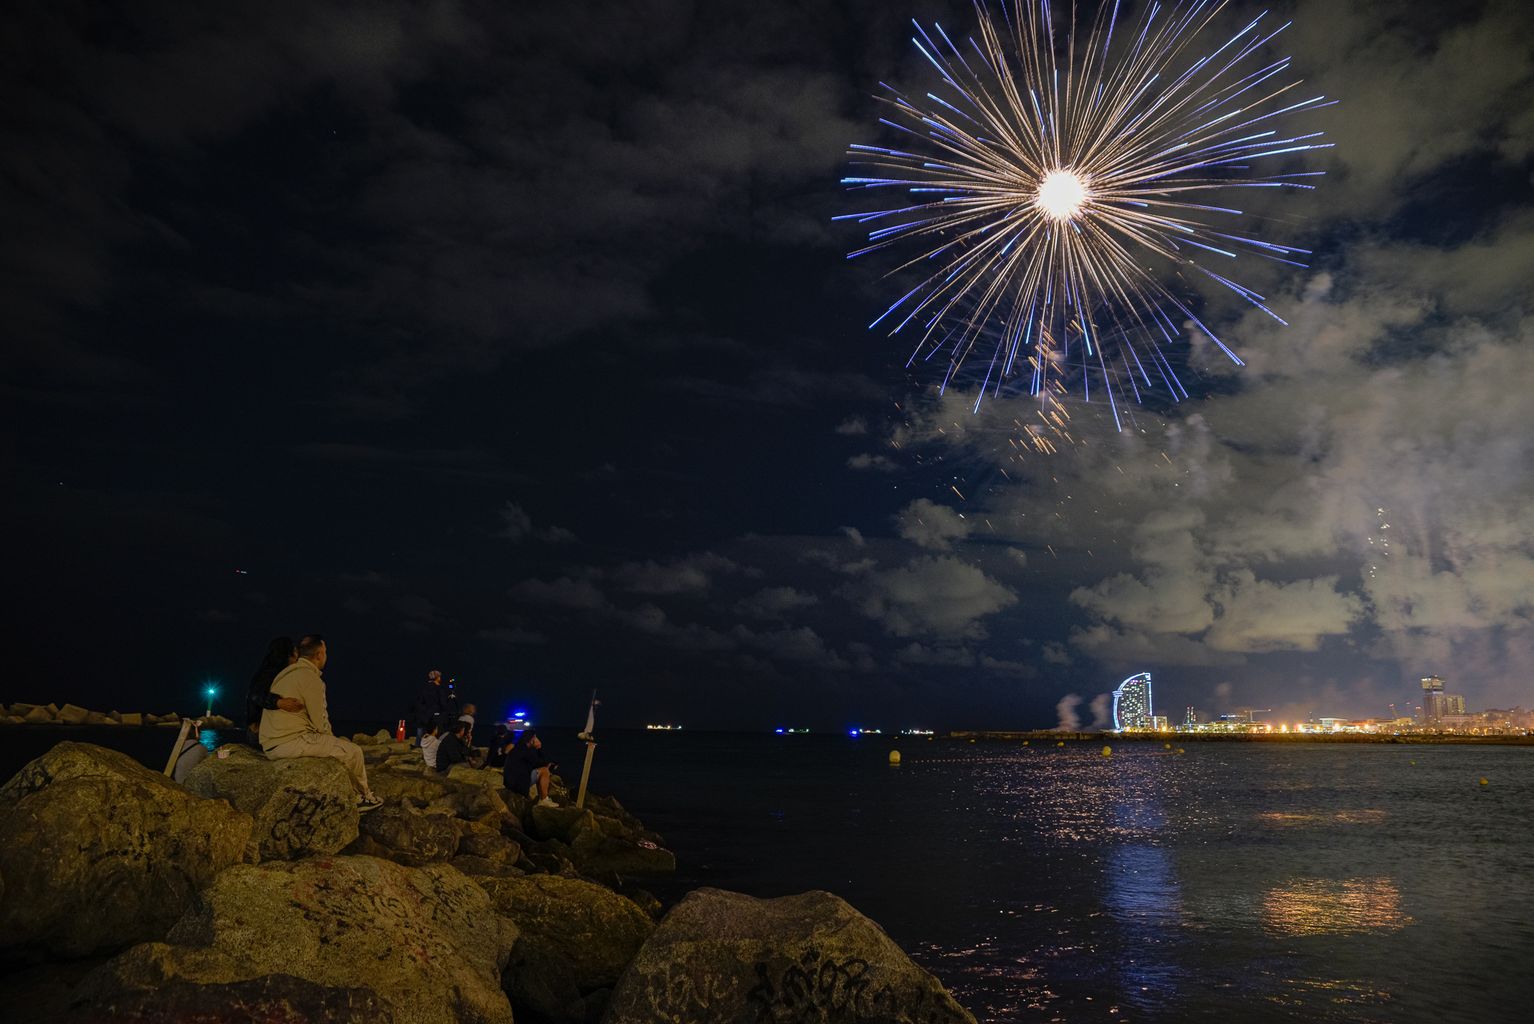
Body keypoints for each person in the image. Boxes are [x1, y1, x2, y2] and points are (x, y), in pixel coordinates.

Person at [258, 635, 382, 811]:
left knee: (342, 749)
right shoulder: (310, 678)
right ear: (319, 655)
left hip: (271, 743)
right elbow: (320, 723)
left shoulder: (286, 674)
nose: (326, 656)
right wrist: (334, 743)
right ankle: (363, 798)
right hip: (289, 742)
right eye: (326, 652)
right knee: (354, 752)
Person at [245, 637, 305, 741]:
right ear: (287, 654)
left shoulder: (271, 670)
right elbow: (255, 695)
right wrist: (279, 702)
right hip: (259, 733)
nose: (297, 657)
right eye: (295, 652)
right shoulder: (271, 672)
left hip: (263, 731)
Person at [506, 728, 557, 807]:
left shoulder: (518, 747)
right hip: (518, 784)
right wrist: (539, 748)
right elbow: (541, 763)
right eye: (535, 737)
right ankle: (543, 800)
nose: (537, 739)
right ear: (532, 739)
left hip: (510, 782)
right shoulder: (526, 751)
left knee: (540, 771)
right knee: (544, 771)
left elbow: (534, 764)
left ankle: (542, 799)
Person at [412, 669, 455, 741]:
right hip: (435, 715)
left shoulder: (424, 687)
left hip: (424, 714)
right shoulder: (439, 688)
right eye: (439, 677)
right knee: (436, 731)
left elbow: (420, 700)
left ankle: (419, 744)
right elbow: (442, 703)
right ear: (437, 678)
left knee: (423, 730)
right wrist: (449, 700)